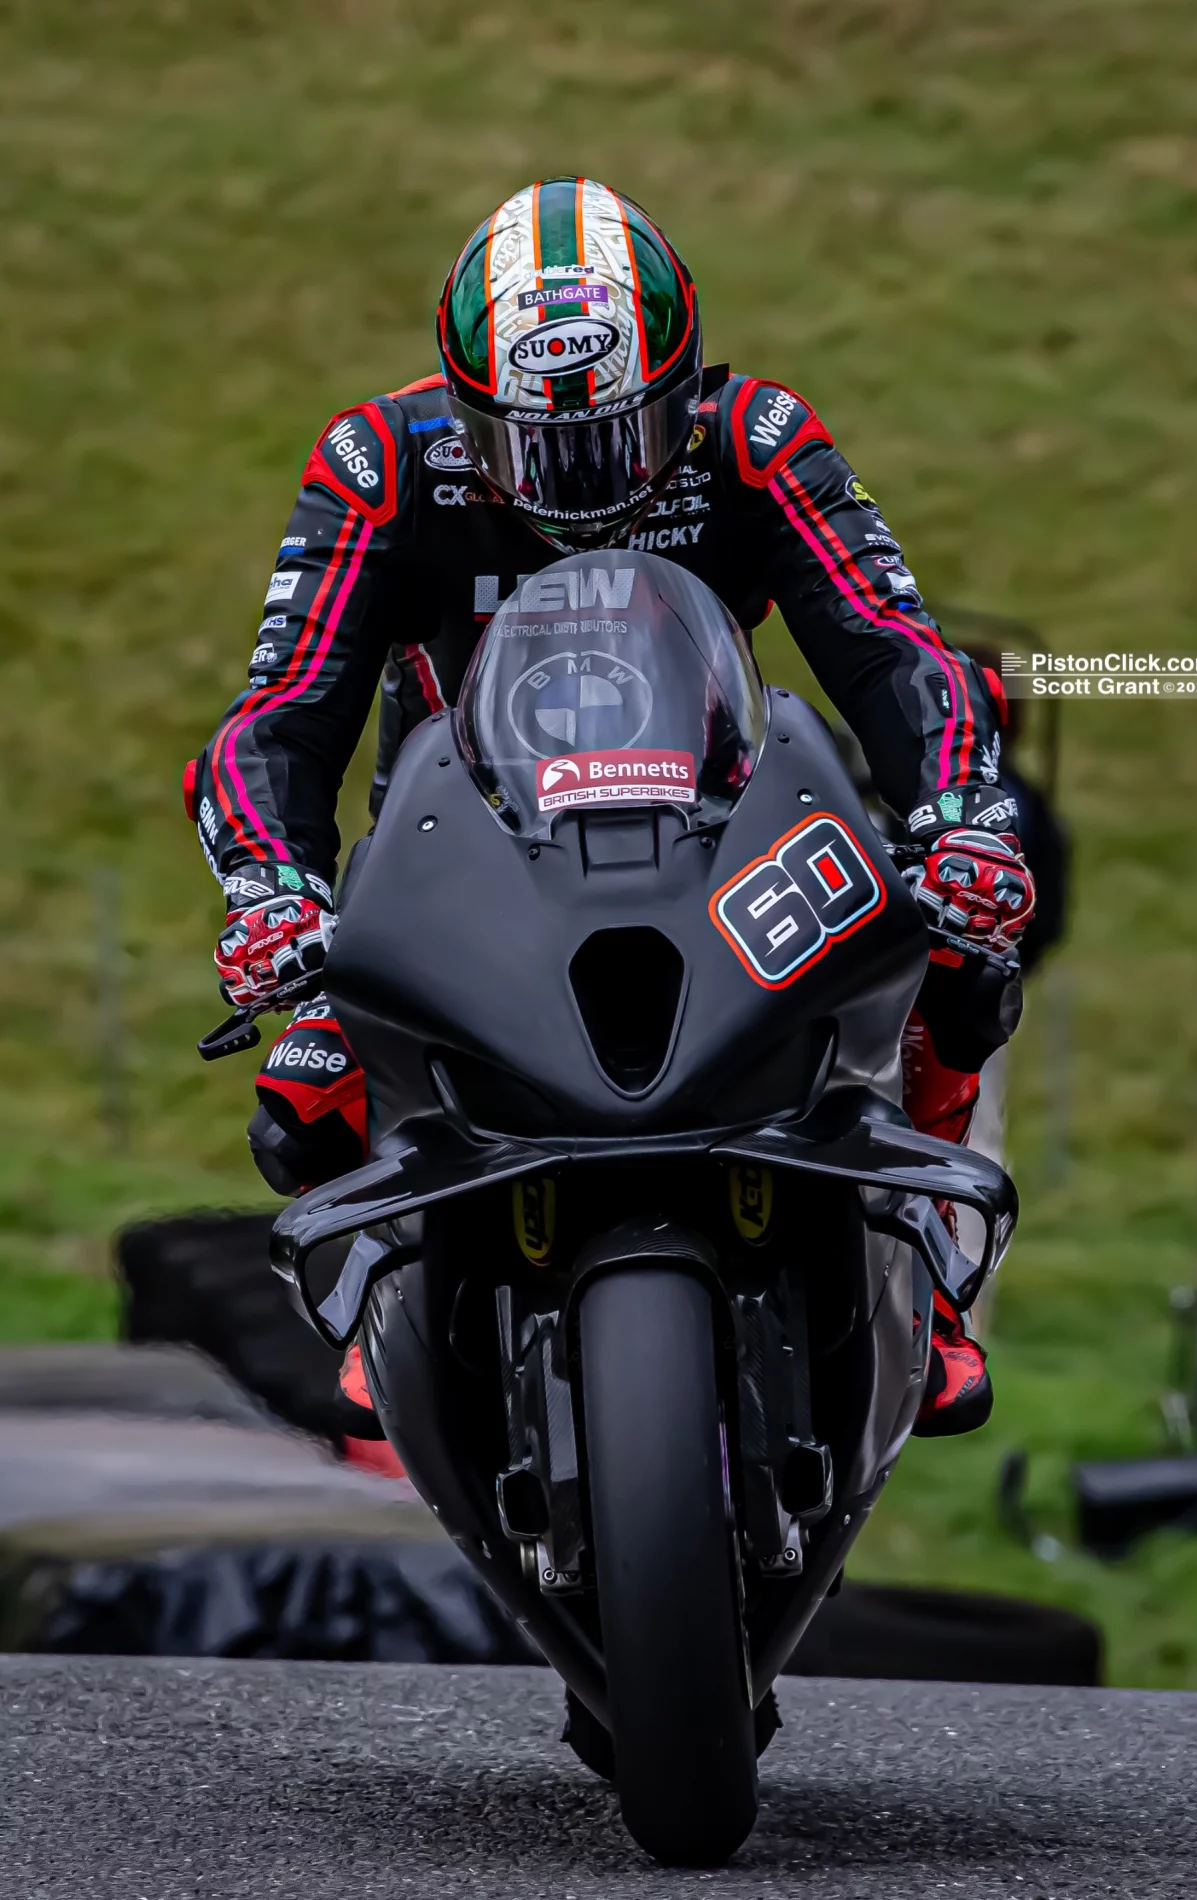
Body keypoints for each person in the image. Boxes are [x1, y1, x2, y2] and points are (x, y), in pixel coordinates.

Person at [188, 176, 1035, 1438]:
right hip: (460, 850)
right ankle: (398, 1278)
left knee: (956, 958)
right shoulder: (378, 463)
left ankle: (918, 1256)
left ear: (684, 387)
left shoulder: (758, 439)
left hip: (722, 823)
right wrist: (269, 886)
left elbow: (889, 644)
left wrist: (962, 814)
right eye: (535, 446)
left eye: (619, 436)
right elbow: (283, 708)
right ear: (465, 411)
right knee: (303, 1098)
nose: (580, 482)